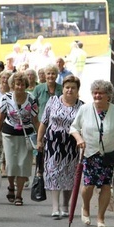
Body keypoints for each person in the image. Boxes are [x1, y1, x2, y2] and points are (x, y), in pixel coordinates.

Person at [69, 80, 114, 227]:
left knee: (106, 186)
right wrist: (79, 139)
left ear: (108, 95)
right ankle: (86, 207)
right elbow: (74, 127)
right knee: (89, 185)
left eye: (101, 93)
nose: (97, 95)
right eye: (95, 92)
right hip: (89, 153)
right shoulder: (85, 109)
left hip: (107, 155)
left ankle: (101, 217)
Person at [36, 75, 84, 219]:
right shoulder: (53, 101)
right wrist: (39, 140)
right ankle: (55, 207)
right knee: (53, 173)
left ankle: (65, 206)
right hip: (53, 144)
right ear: (62, 88)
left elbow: (84, 127)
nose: (69, 90)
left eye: (73, 88)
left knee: (70, 175)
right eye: (67, 87)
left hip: (71, 145)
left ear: (77, 90)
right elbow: (44, 122)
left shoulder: (82, 106)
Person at [0, 72, 39, 206]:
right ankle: (11, 186)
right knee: (11, 164)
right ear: (12, 85)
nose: (19, 87)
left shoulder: (31, 99)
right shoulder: (6, 98)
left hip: (26, 135)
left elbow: (35, 120)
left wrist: (40, 138)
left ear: (26, 85)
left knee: (23, 165)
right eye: (17, 84)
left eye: (22, 84)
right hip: (9, 134)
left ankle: (19, 195)